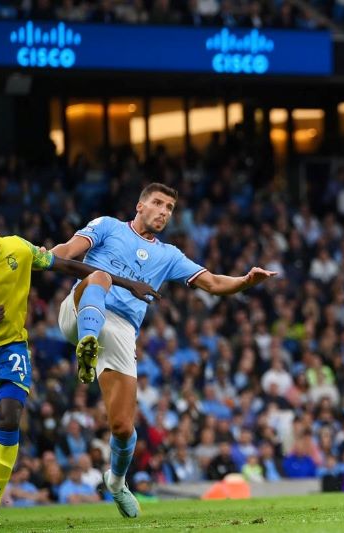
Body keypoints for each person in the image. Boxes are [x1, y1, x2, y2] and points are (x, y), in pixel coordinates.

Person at [51, 183, 277, 519]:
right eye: (158, 203)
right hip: (82, 306)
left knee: (123, 427)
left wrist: (245, 281)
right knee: (100, 276)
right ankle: (87, 343)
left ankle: (115, 481)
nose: (164, 211)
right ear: (139, 206)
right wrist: (45, 255)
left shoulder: (169, 255)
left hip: (123, 331)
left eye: (170, 207)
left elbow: (213, 283)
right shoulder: (108, 226)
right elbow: (66, 250)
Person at [0, 216, 156, 526]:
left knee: (10, 417)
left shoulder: (17, 249)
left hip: (8, 349)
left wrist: (123, 282)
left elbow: (67, 265)